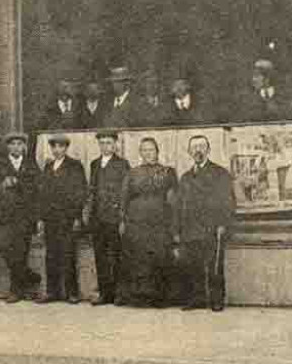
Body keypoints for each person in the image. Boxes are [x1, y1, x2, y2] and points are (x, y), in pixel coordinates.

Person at [174, 135, 235, 311]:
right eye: (194, 147)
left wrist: (223, 224)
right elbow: (179, 205)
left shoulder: (220, 173)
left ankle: (217, 299)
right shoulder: (185, 177)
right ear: (189, 152)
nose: (198, 150)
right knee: (193, 266)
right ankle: (196, 299)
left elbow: (227, 201)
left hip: (212, 228)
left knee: (214, 265)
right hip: (190, 229)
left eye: (201, 146)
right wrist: (177, 229)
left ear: (208, 150)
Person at [118, 137, 177, 307]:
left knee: (158, 256)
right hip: (136, 223)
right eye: (144, 150)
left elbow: (174, 200)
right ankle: (139, 297)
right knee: (139, 258)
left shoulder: (167, 171)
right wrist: (122, 220)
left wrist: (172, 224)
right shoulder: (132, 173)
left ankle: (159, 297)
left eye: (151, 149)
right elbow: (124, 198)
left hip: (159, 222)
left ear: (157, 151)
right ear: (140, 153)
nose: (147, 153)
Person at [0, 132, 41, 303]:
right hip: (4, 217)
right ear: (7, 147)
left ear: (24, 146)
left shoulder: (31, 165)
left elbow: (37, 191)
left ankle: (16, 290)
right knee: (6, 248)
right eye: (13, 144)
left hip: (24, 217)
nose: (16, 147)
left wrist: (37, 218)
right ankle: (31, 277)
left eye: (19, 144)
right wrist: (2, 185)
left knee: (21, 252)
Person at [36, 134, 87, 304]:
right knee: (51, 255)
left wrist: (77, 217)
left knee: (68, 254)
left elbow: (80, 193)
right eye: (54, 147)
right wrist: (42, 218)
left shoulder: (75, 166)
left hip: (67, 217)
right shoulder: (48, 167)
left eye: (61, 146)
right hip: (51, 218)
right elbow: (42, 194)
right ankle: (52, 292)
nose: (57, 150)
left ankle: (72, 292)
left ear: (66, 148)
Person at [86, 130, 130, 305]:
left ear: (115, 144)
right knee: (100, 257)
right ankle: (105, 293)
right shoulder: (94, 164)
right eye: (102, 143)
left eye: (109, 143)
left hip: (114, 217)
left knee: (117, 256)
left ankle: (119, 294)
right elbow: (92, 190)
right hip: (98, 218)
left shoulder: (122, 164)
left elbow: (125, 192)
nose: (105, 146)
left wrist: (122, 217)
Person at [239, 58, 283, 122]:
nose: (253, 79)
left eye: (256, 76)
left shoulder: (282, 98)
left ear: (267, 78)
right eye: (253, 76)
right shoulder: (247, 100)